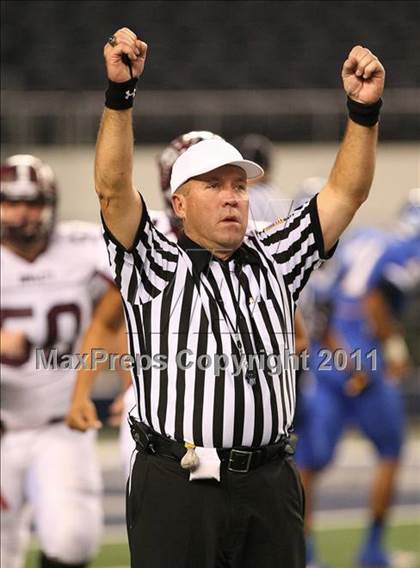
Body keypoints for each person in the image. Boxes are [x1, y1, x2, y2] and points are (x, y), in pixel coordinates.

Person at [95, 27, 384, 567]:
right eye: (214, 185)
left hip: (270, 481)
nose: (232, 197)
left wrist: (362, 114)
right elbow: (113, 192)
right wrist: (120, 96)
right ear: (179, 204)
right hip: (179, 484)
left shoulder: (277, 252)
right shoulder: (155, 261)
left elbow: (346, 193)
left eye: (239, 186)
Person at [0, 154, 120, 568]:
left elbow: (140, 272)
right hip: (3, 425)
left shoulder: (80, 245)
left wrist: (130, 376)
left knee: (74, 540)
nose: (22, 213)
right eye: (11, 202)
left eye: (33, 202)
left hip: (62, 422)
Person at [295, 194, 419, 568]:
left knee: (309, 462)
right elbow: (375, 301)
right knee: (390, 453)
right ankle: (372, 550)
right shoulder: (407, 250)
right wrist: (391, 351)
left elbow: (327, 302)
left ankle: (307, 554)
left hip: (328, 360)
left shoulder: (365, 236)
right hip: (364, 362)